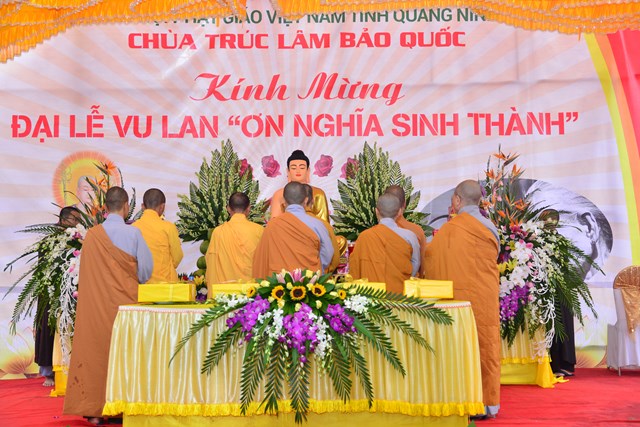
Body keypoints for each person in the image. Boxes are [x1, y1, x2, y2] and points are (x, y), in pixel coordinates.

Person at [63, 187, 153, 425]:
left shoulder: (92, 236)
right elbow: (145, 273)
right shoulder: (134, 234)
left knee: (97, 353)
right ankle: (123, 408)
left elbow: (87, 272)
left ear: (105, 208)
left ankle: (94, 411)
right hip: (125, 307)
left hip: (97, 306)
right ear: (126, 206)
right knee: (125, 353)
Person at [423, 180, 500, 419]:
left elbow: (430, 259)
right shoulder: (490, 227)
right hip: (485, 295)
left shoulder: (449, 230)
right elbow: (495, 254)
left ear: (457, 200)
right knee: (486, 344)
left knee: (461, 346)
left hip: (458, 298)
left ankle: (463, 399)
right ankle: (488, 404)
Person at [34, 206, 82, 387]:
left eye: (79, 220)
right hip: (51, 291)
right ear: (63, 220)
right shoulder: (49, 241)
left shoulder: (78, 239)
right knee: (48, 328)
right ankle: (48, 372)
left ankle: (71, 369)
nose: (77, 223)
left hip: (72, 290)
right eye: (74, 219)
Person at [253, 182, 334, 278]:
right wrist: (316, 269)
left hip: (280, 283)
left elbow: (263, 257)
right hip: (309, 281)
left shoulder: (273, 225)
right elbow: (328, 252)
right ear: (306, 200)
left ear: (283, 201)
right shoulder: (317, 224)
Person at [349, 193, 420, 293]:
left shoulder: (365, 237)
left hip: (372, 296)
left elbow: (355, 268)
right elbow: (416, 264)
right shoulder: (410, 236)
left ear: (376, 211)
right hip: (400, 295)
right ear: (399, 212)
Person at [205, 192, 264, 284]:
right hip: (251, 289)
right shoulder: (259, 230)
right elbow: (265, 261)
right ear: (249, 208)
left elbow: (211, 261)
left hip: (225, 289)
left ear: (228, 208)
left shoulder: (218, 232)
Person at [132, 188, 183, 283]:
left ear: (142, 206)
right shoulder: (168, 227)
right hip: (165, 285)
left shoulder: (133, 228)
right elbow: (177, 256)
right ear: (162, 207)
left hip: (141, 286)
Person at [269, 150, 330, 222]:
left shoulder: (318, 193)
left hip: (312, 228)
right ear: (288, 171)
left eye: (302, 168)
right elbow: (275, 222)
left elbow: (324, 223)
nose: (298, 171)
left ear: (308, 170)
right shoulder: (279, 194)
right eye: (293, 168)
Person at [384, 185, 427, 277]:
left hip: (381, 283)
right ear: (404, 204)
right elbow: (422, 267)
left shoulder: (373, 233)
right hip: (409, 283)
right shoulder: (417, 231)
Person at [302, 184, 340, 273]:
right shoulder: (323, 225)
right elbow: (334, 259)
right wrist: (324, 272)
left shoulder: (281, 223)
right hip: (318, 275)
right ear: (312, 201)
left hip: (288, 276)